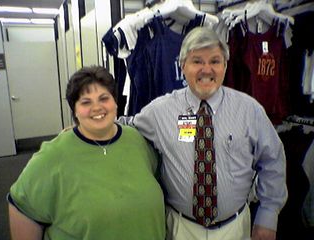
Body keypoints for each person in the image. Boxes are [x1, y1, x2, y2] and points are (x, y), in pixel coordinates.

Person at [120, 27, 287, 240]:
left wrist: (268, 216)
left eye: (215, 61)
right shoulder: (159, 111)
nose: (206, 70)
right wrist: (84, 129)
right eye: (197, 61)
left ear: (225, 66)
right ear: (183, 66)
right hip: (181, 229)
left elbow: (273, 160)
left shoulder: (250, 110)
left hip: (235, 229)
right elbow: (125, 125)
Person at [7, 66, 166, 240]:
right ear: (75, 110)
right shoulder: (53, 155)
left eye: (103, 98)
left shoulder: (137, 140)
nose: (96, 107)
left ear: (115, 102)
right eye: (86, 102)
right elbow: (23, 207)